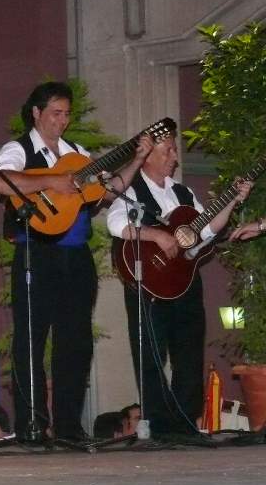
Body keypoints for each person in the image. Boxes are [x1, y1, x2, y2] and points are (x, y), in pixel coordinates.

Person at [0, 82, 150, 443]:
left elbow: (108, 192)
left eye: (66, 114)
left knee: (76, 341)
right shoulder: (18, 148)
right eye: (55, 113)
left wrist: (137, 159)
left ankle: (68, 425)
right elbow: (0, 182)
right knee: (31, 339)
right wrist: (53, 181)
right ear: (36, 113)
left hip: (76, 257)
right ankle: (31, 425)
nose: (61, 121)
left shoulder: (78, 153)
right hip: (36, 253)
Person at [106, 129, 250, 438]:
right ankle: (160, 428)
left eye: (174, 150)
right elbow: (115, 224)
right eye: (168, 150)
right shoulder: (132, 189)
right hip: (149, 285)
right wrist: (156, 234)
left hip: (185, 283)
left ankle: (185, 424)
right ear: (148, 157)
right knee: (151, 359)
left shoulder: (183, 194)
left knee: (189, 355)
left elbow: (206, 231)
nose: (175, 156)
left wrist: (231, 201)